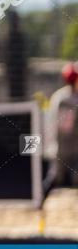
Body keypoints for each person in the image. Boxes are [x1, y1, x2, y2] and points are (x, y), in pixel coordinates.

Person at [42, 62, 78, 197]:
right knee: (55, 178)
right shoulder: (64, 99)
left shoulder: (64, 96)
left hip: (74, 148)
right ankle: (40, 201)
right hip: (62, 148)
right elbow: (64, 126)